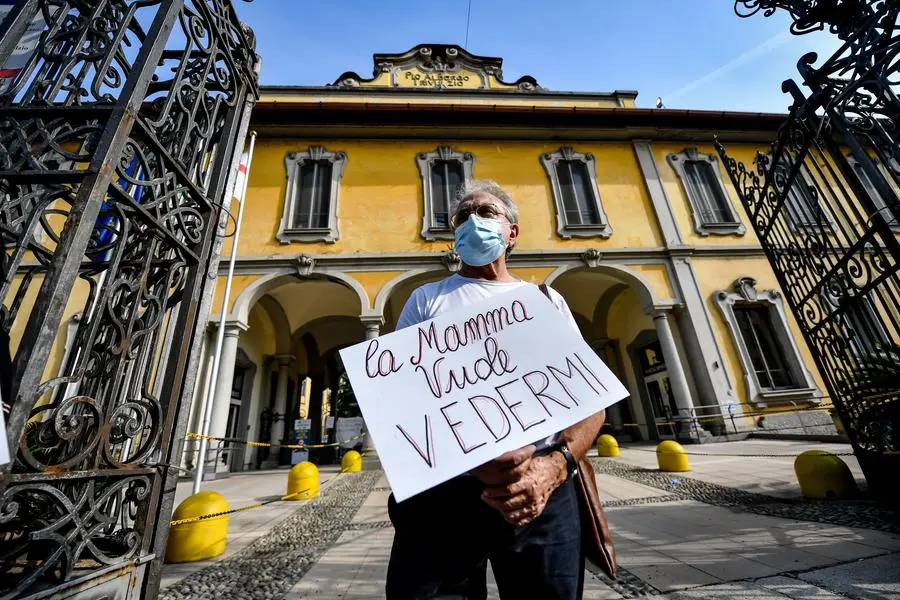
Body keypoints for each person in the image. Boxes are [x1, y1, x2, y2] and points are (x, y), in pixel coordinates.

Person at [386, 180, 607, 600]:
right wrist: (476, 464)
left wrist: (554, 467)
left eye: (486, 212)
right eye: (462, 217)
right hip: (446, 498)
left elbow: (592, 402)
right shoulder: (426, 300)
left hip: (543, 490)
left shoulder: (545, 300)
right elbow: (401, 401)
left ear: (512, 232)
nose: (472, 221)